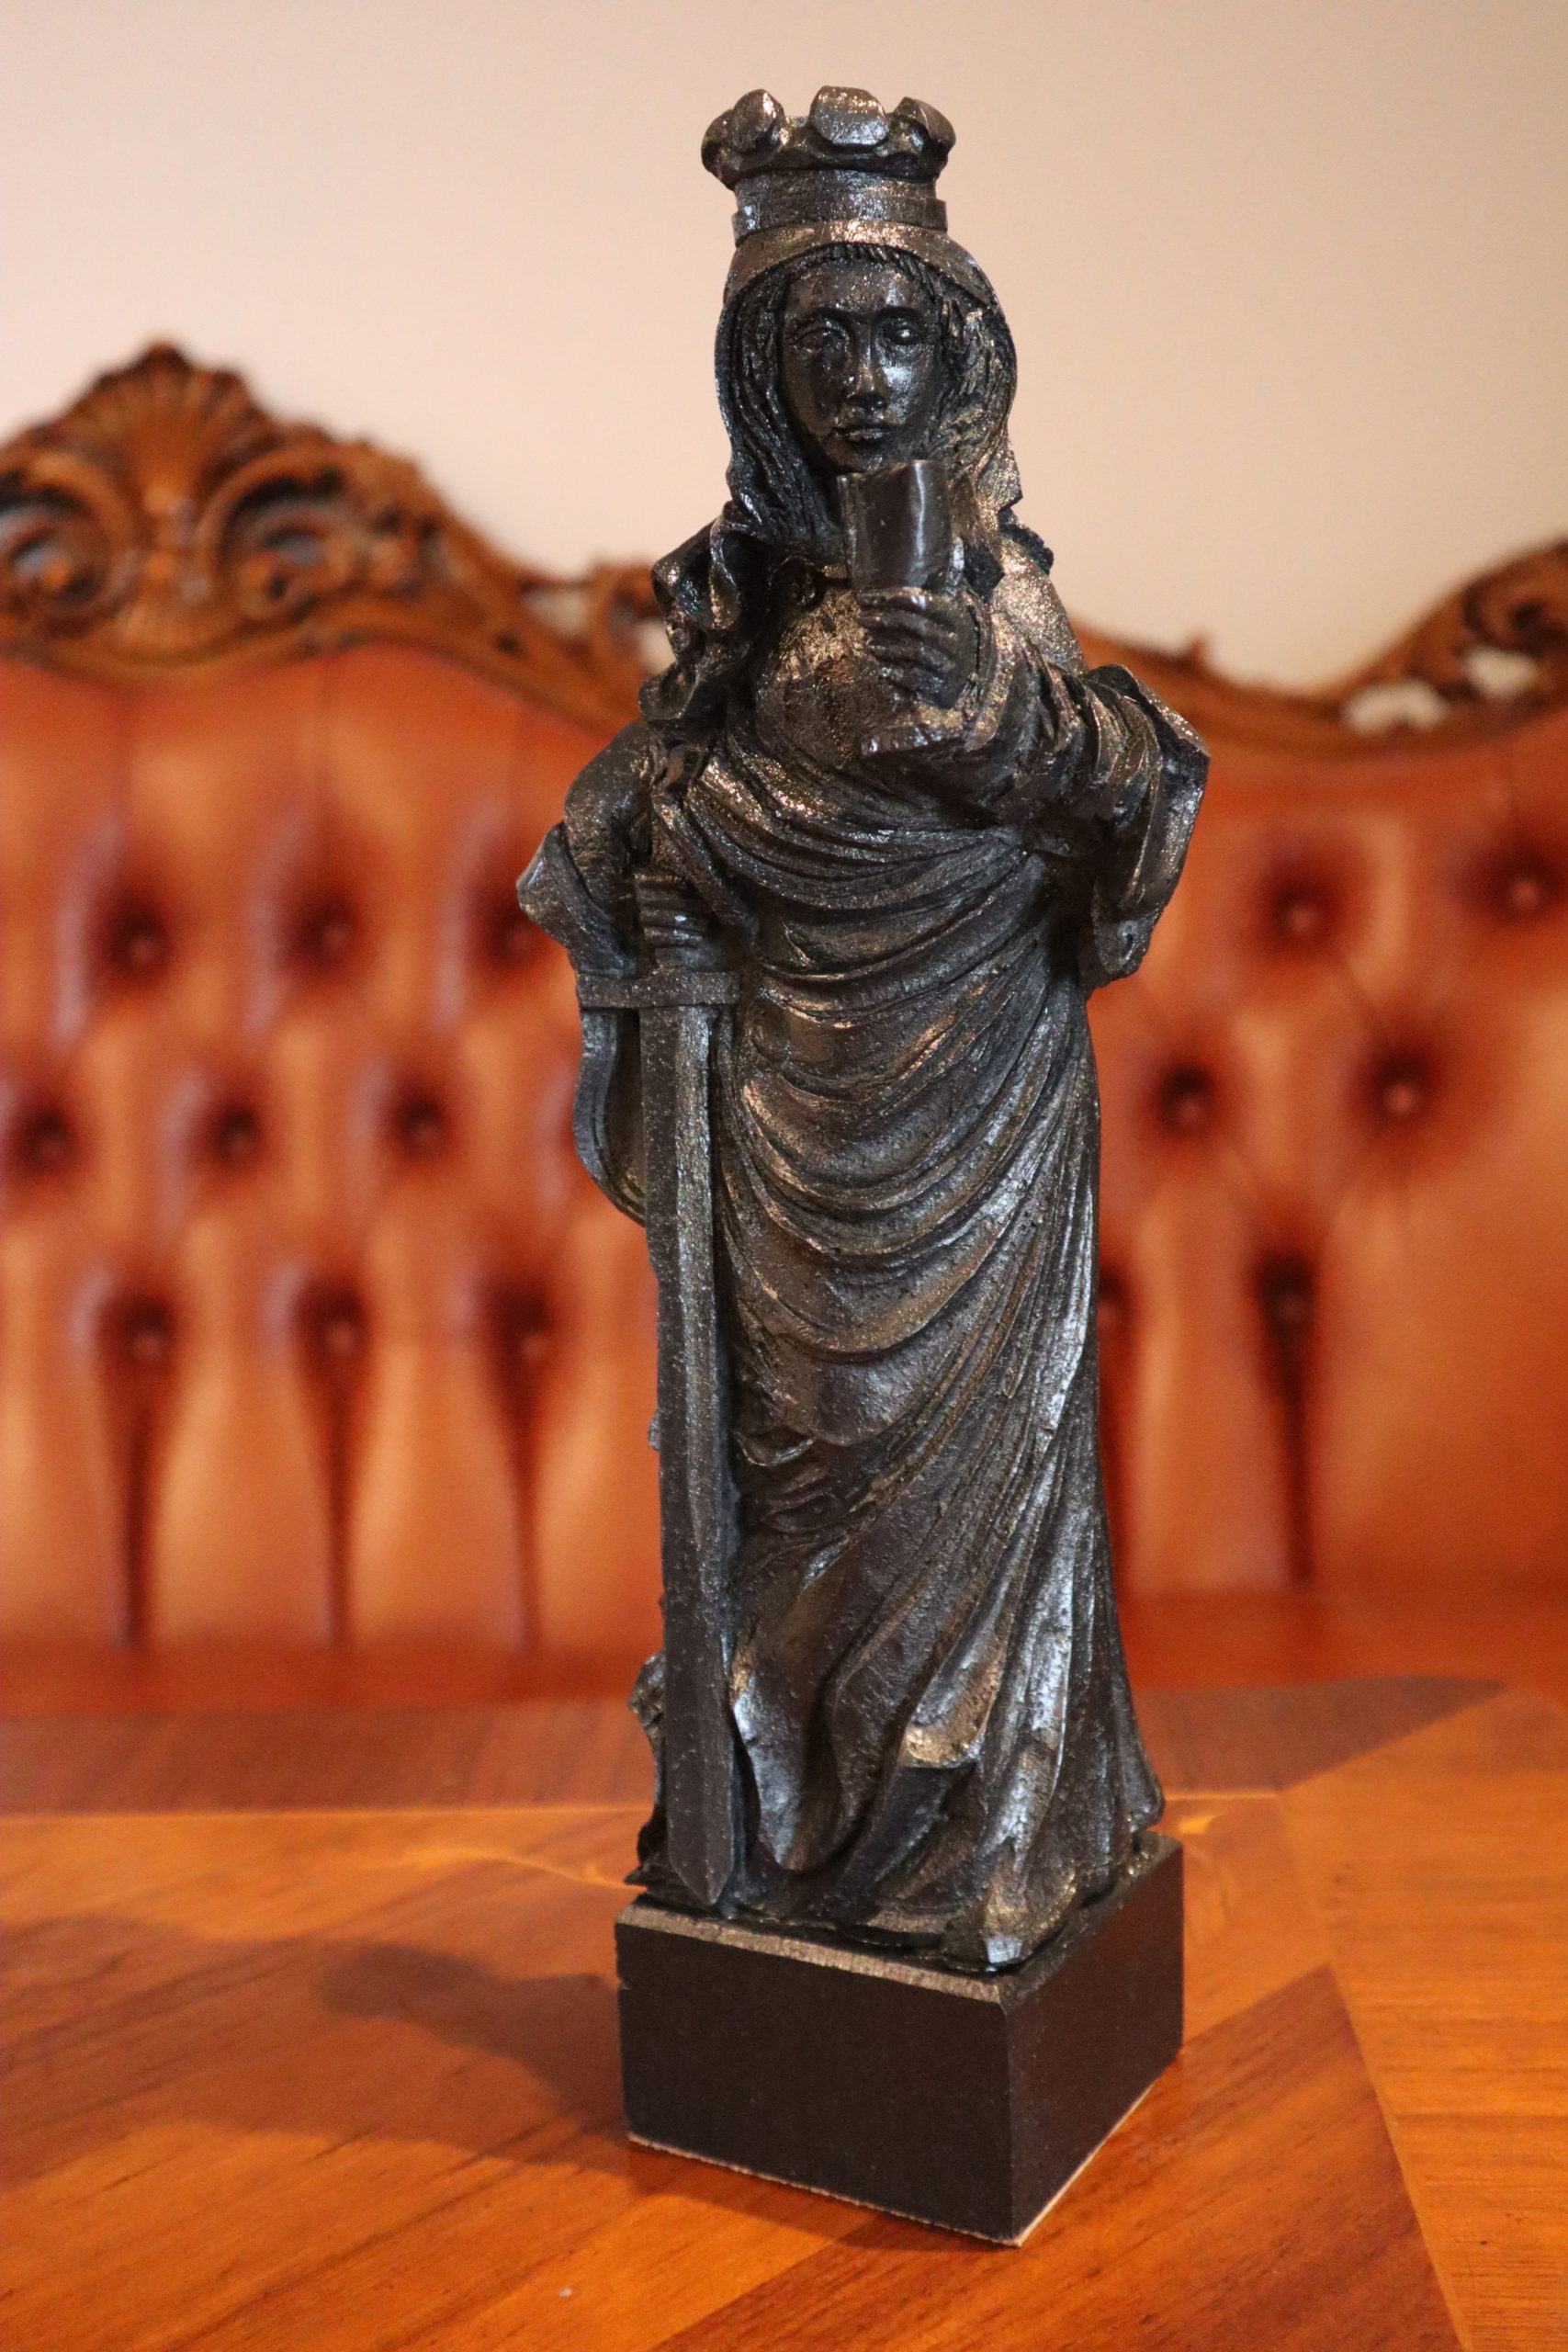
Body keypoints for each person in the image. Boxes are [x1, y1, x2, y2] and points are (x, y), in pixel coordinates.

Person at [523, 87, 1206, 1970]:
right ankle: (793, 1841)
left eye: (898, 331)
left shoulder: (996, 587)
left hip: (976, 1096)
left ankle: (978, 1850)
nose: (862, 376)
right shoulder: (734, 601)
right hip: (787, 1109)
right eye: (817, 338)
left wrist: (1004, 726)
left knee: (962, 1480)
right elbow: (653, 801)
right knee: (804, 1454)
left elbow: (1129, 795)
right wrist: (660, 847)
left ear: (960, 349)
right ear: (759, 367)